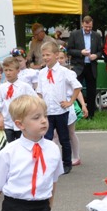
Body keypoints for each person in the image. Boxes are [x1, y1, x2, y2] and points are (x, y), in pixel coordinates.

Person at [38, 41, 81, 175]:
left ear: (56, 55)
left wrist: (70, 102)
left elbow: (77, 86)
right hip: (47, 112)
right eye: (43, 55)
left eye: (48, 55)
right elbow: (39, 92)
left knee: (64, 138)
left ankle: (66, 163)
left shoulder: (64, 72)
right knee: (47, 138)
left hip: (61, 111)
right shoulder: (41, 73)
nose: (45, 58)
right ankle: (49, 163)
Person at [66, 15, 103, 119]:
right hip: (78, 66)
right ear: (82, 24)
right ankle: (78, 113)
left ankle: (90, 114)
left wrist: (96, 56)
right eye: (86, 27)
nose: (88, 29)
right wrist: (80, 52)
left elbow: (101, 51)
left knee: (91, 91)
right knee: (77, 90)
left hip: (91, 66)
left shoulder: (96, 35)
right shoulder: (75, 34)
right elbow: (69, 50)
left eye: (90, 27)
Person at [0, 56, 37, 142]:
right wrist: (0, 118)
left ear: (18, 71)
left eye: (10, 70)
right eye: (6, 70)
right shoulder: (1, 88)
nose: (8, 73)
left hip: (22, 124)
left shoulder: (25, 87)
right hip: (7, 124)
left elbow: (35, 101)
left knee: (23, 145)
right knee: (8, 146)